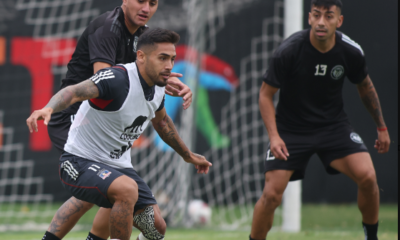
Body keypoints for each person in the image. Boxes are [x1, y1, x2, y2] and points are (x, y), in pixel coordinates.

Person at [27, 28, 212, 240]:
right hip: (78, 162)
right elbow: (75, 91)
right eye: (162, 58)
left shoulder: (160, 86)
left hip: (118, 167)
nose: (169, 65)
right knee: (126, 190)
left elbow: (161, 121)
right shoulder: (117, 78)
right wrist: (49, 108)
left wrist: (187, 155)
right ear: (141, 56)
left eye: (172, 59)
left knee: (156, 229)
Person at [250, 0, 390, 240]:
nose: (322, 22)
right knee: (272, 195)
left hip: (333, 127)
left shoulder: (350, 51)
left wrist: (382, 127)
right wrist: (274, 136)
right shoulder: (289, 50)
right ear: (309, 18)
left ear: (339, 20)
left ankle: (372, 238)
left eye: (329, 16)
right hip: (291, 131)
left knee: (368, 177)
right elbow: (265, 94)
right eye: (317, 15)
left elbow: (365, 87)